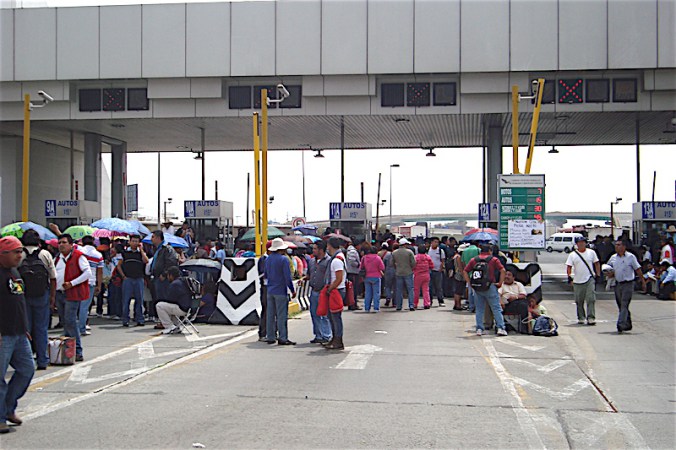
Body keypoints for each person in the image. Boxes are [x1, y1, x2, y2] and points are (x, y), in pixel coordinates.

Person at [0, 236, 35, 433]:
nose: (19, 255)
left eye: (20, 251)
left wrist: (25, 329)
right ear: (3, 254)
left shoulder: (14, 272)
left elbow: (19, 302)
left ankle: (8, 407)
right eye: (15, 252)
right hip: (4, 334)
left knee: (26, 370)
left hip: (19, 332)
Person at [18, 230, 56, 370]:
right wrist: (52, 297)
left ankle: (26, 361)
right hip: (42, 295)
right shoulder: (45, 254)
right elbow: (52, 278)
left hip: (23, 297)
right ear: (38, 242)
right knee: (41, 329)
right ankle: (42, 360)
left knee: (25, 329)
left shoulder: (19, 255)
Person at [54, 234, 91, 362]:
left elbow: (87, 273)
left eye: (64, 242)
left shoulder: (78, 257)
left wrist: (72, 283)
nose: (61, 245)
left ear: (71, 245)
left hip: (72, 293)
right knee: (64, 322)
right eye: (59, 243)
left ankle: (78, 351)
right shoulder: (57, 258)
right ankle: (68, 349)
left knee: (70, 320)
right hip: (59, 293)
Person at [464, 244, 508, 336]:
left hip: (477, 287)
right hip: (490, 286)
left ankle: (479, 329)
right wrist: (500, 283)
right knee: (496, 308)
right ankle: (500, 327)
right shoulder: (494, 260)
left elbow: (465, 271)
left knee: (479, 309)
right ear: (490, 251)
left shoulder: (474, 260)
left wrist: (469, 283)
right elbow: (502, 270)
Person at [606, 240, 646, 333]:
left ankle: (620, 324)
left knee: (624, 303)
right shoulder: (613, 258)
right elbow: (608, 268)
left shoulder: (630, 257)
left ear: (624, 247)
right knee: (620, 304)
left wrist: (643, 282)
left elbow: (638, 269)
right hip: (617, 284)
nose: (617, 247)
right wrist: (609, 274)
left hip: (628, 283)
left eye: (619, 245)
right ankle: (627, 323)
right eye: (616, 245)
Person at [264, 238, 297, 346]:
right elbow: (287, 277)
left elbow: (266, 275)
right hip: (280, 291)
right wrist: (292, 290)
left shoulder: (267, 259)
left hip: (270, 290)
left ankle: (270, 336)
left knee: (270, 315)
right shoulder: (284, 260)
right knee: (281, 316)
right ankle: (283, 337)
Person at [565, 236, 601, 325]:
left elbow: (596, 263)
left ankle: (591, 317)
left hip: (589, 278)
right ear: (576, 244)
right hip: (577, 280)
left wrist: (598, 274)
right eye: (579, 242)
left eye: (583, 242)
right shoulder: (572, 255)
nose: (581, 244)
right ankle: (581, 317)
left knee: (591, 298)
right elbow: (569, 266)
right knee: (579, 300)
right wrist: (569, 277)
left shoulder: (591, 253)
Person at [117, 235, 149, 327]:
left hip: (139, 278)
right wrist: (123, 276)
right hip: (128, 279)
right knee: (126, 300)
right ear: (129, 242)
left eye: (136, 241)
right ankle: (125, 319)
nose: (135, 243)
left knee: (139, 300)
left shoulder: (141, 253)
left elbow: (146, 261)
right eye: (133, 241)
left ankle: (139, 318)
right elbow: (119, 265)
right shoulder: (124, 253)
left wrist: (142, 250)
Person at [306, 240, 332, 343]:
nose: (313, 251)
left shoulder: (328, 261)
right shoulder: (311, 261)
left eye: (315, 249)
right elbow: (309, 274)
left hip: (323, 292)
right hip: (314, 291)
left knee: (324, 314)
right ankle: (318, 335)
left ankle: (326, 335)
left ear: (321, 250)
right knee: (314, 313)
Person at [78, 236, 103, 335]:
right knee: (85, 306)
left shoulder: (79, 251)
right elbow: (99, 272)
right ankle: (82, 328)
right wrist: (99, 285)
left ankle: (73, 327)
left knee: (75, 305)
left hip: (78, 280)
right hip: (91, 282)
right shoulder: (98, 255)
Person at [324, 237, 346, 350]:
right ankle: (334, 338)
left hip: (336, 290)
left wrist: (330, 288)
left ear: (329, 246)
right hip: (336, 289)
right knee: (332, 316)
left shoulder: (337, 260)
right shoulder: (338, 257)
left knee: (335, 317)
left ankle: (338, 339)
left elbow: (338, 278)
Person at [155, 267, 190, 334]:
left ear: (171, 275)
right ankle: (176, 326)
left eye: (168, 275)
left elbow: (170, 299)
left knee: (159, 305)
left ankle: (169, 327)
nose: (167, 277)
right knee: (171, 307)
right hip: (188, 308)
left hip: (182, 309)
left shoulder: (175, 284)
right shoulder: (182, 281)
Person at [150, 230, 179, 305]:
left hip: (163, 278)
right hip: (156, 277)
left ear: (158, 238)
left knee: (162, 298)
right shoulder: (157, 249)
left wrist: (164, 274)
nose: (151, 239)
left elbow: (171, 262)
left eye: (153, 237)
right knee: (157, 298)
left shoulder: (166, 248)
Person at [360, 246, 385, 312]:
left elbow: (361, 267)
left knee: (368, 293)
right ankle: (376, 308)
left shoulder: (364, 258)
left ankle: (367, 308)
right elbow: (382, 267)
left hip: (367, 277)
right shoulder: (377, 258)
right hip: (376, 276)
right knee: (376, 293)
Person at [461, 241, 480, 312]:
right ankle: (477, 307)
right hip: (477, 273)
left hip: (468, 273)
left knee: (470, 291)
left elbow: (463, 262)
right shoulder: (478, 250)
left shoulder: (465, 251)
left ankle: (471, 306)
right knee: (476, 291)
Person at [413, 245, 434, 309]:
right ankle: (427, 303)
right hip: (426, 275)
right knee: (426, 290)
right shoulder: (428, 257)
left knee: (416, 290)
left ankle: (415, 303)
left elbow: (413, 266)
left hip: (417, 275)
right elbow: (432, 266)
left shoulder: (415, 257)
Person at [427, 237, 446, 307]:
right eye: (435, 242)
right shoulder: (428, 250)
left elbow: (443, 260)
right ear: (431, 242)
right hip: (429, 271)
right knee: (429, 287)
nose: (436, 243)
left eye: (437, 242)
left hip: (438, 271)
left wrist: (441, 268)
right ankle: (430, 301)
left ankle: (441, 301)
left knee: (438, 287)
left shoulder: (441, 251)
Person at [345, 242, 362, 310]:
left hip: (352, 272)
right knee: (353, 289)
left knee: (352, 289)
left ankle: (352, 303)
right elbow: (352, 261)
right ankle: (352, 304)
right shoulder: (352, 252)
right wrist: (358, 265)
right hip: (353, 272)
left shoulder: (350, 251)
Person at [380, 243, 396, 308]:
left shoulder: (387, 255)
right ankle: (395, 302)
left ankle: (388, 297)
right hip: (396, 272)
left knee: (387, 286)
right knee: (395, 287)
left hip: (388, 272)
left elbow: (383, 264)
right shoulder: (397, 255)